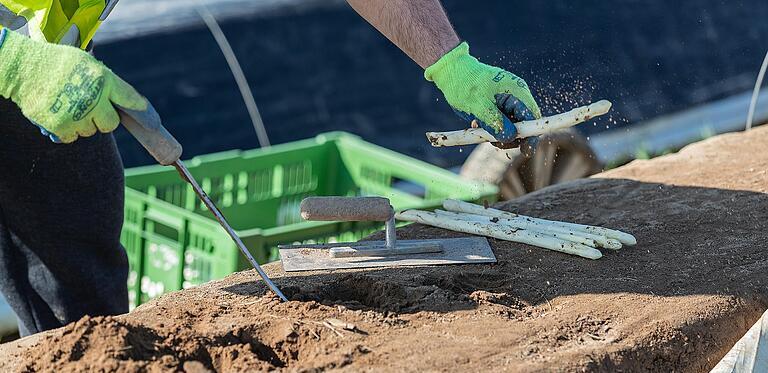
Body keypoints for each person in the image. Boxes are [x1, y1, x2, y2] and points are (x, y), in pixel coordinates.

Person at [0, 0, 541, 335]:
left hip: (42, 70)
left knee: (86, 312)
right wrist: (16, 64)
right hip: (19, 61)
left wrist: (451, 63)